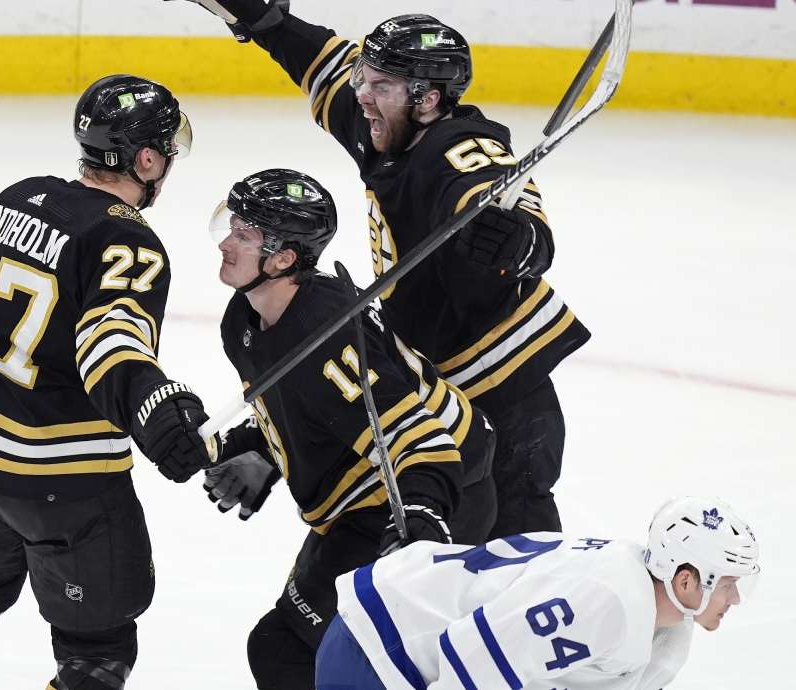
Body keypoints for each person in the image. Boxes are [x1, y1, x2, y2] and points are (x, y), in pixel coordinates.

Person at [170, 0, 591, 537]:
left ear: (428, 99)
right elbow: (321, 62)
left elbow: (509, 202)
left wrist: (518, 241)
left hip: (501, 390)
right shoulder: (384, 123)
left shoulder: (455, 146)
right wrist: (264, 19)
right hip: (431, 380)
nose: (361, 95)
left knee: (517, 565)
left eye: (379, 85)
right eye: (365, 80)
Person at [0, 74, 214, 690]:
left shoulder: (19, 198)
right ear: (146, 158)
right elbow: (111, 350)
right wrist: (159, 410)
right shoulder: (128, 240)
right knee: (96, 649)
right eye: (166, 151)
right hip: (62, 485)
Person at [204, 168, 498, 690]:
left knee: (295, 652)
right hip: (366, 499)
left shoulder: (327, 340)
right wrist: (264, 451)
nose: (227, 241)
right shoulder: (245, 321)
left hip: (425, 491)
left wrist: (425, 516)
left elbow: (419, 439)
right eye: (232, 226)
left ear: (284, 258)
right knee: (298, 651)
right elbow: (305, 404)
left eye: (244, 234)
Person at [314, 496, 761, 689]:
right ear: (686, 580)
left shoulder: (662, 629)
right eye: (727, 583)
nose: (735, 599)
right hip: (381, 647)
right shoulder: (608, 600)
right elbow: (475, 658)